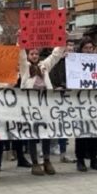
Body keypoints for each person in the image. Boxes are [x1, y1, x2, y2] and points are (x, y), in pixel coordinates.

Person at [19, 44, 65, 176]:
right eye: (31, 54)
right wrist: (20, 42)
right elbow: (20, 56)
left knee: (46, 134)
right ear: (28, 56)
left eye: (36, 54)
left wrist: (62, 40)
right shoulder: (25, 68)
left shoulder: (44, 66)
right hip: (30, 106)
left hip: (44, 105)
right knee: (33, 134)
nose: (34, 56)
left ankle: (46, 160)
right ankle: (35, 162)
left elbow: (55, 56)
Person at [74, 37, 97, 172]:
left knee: (94, 132)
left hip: (94, 101)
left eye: (90, 48)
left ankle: (94, 159)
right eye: (85, 48)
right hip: (79, 102)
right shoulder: (74, 62)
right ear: (81, 49)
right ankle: (80, 161)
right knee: (81, 134)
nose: (88, 51)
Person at [48, 39, 77, 164]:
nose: (69, 50)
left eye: (71, 47)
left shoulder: (75, 62)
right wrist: (55, 87)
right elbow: (50, 76)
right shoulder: (56, 62)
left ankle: (63, 153)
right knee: (55, 124)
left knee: (65, 126)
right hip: (56, 96)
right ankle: (51, 149)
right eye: (67, 47)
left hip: (70, 96)